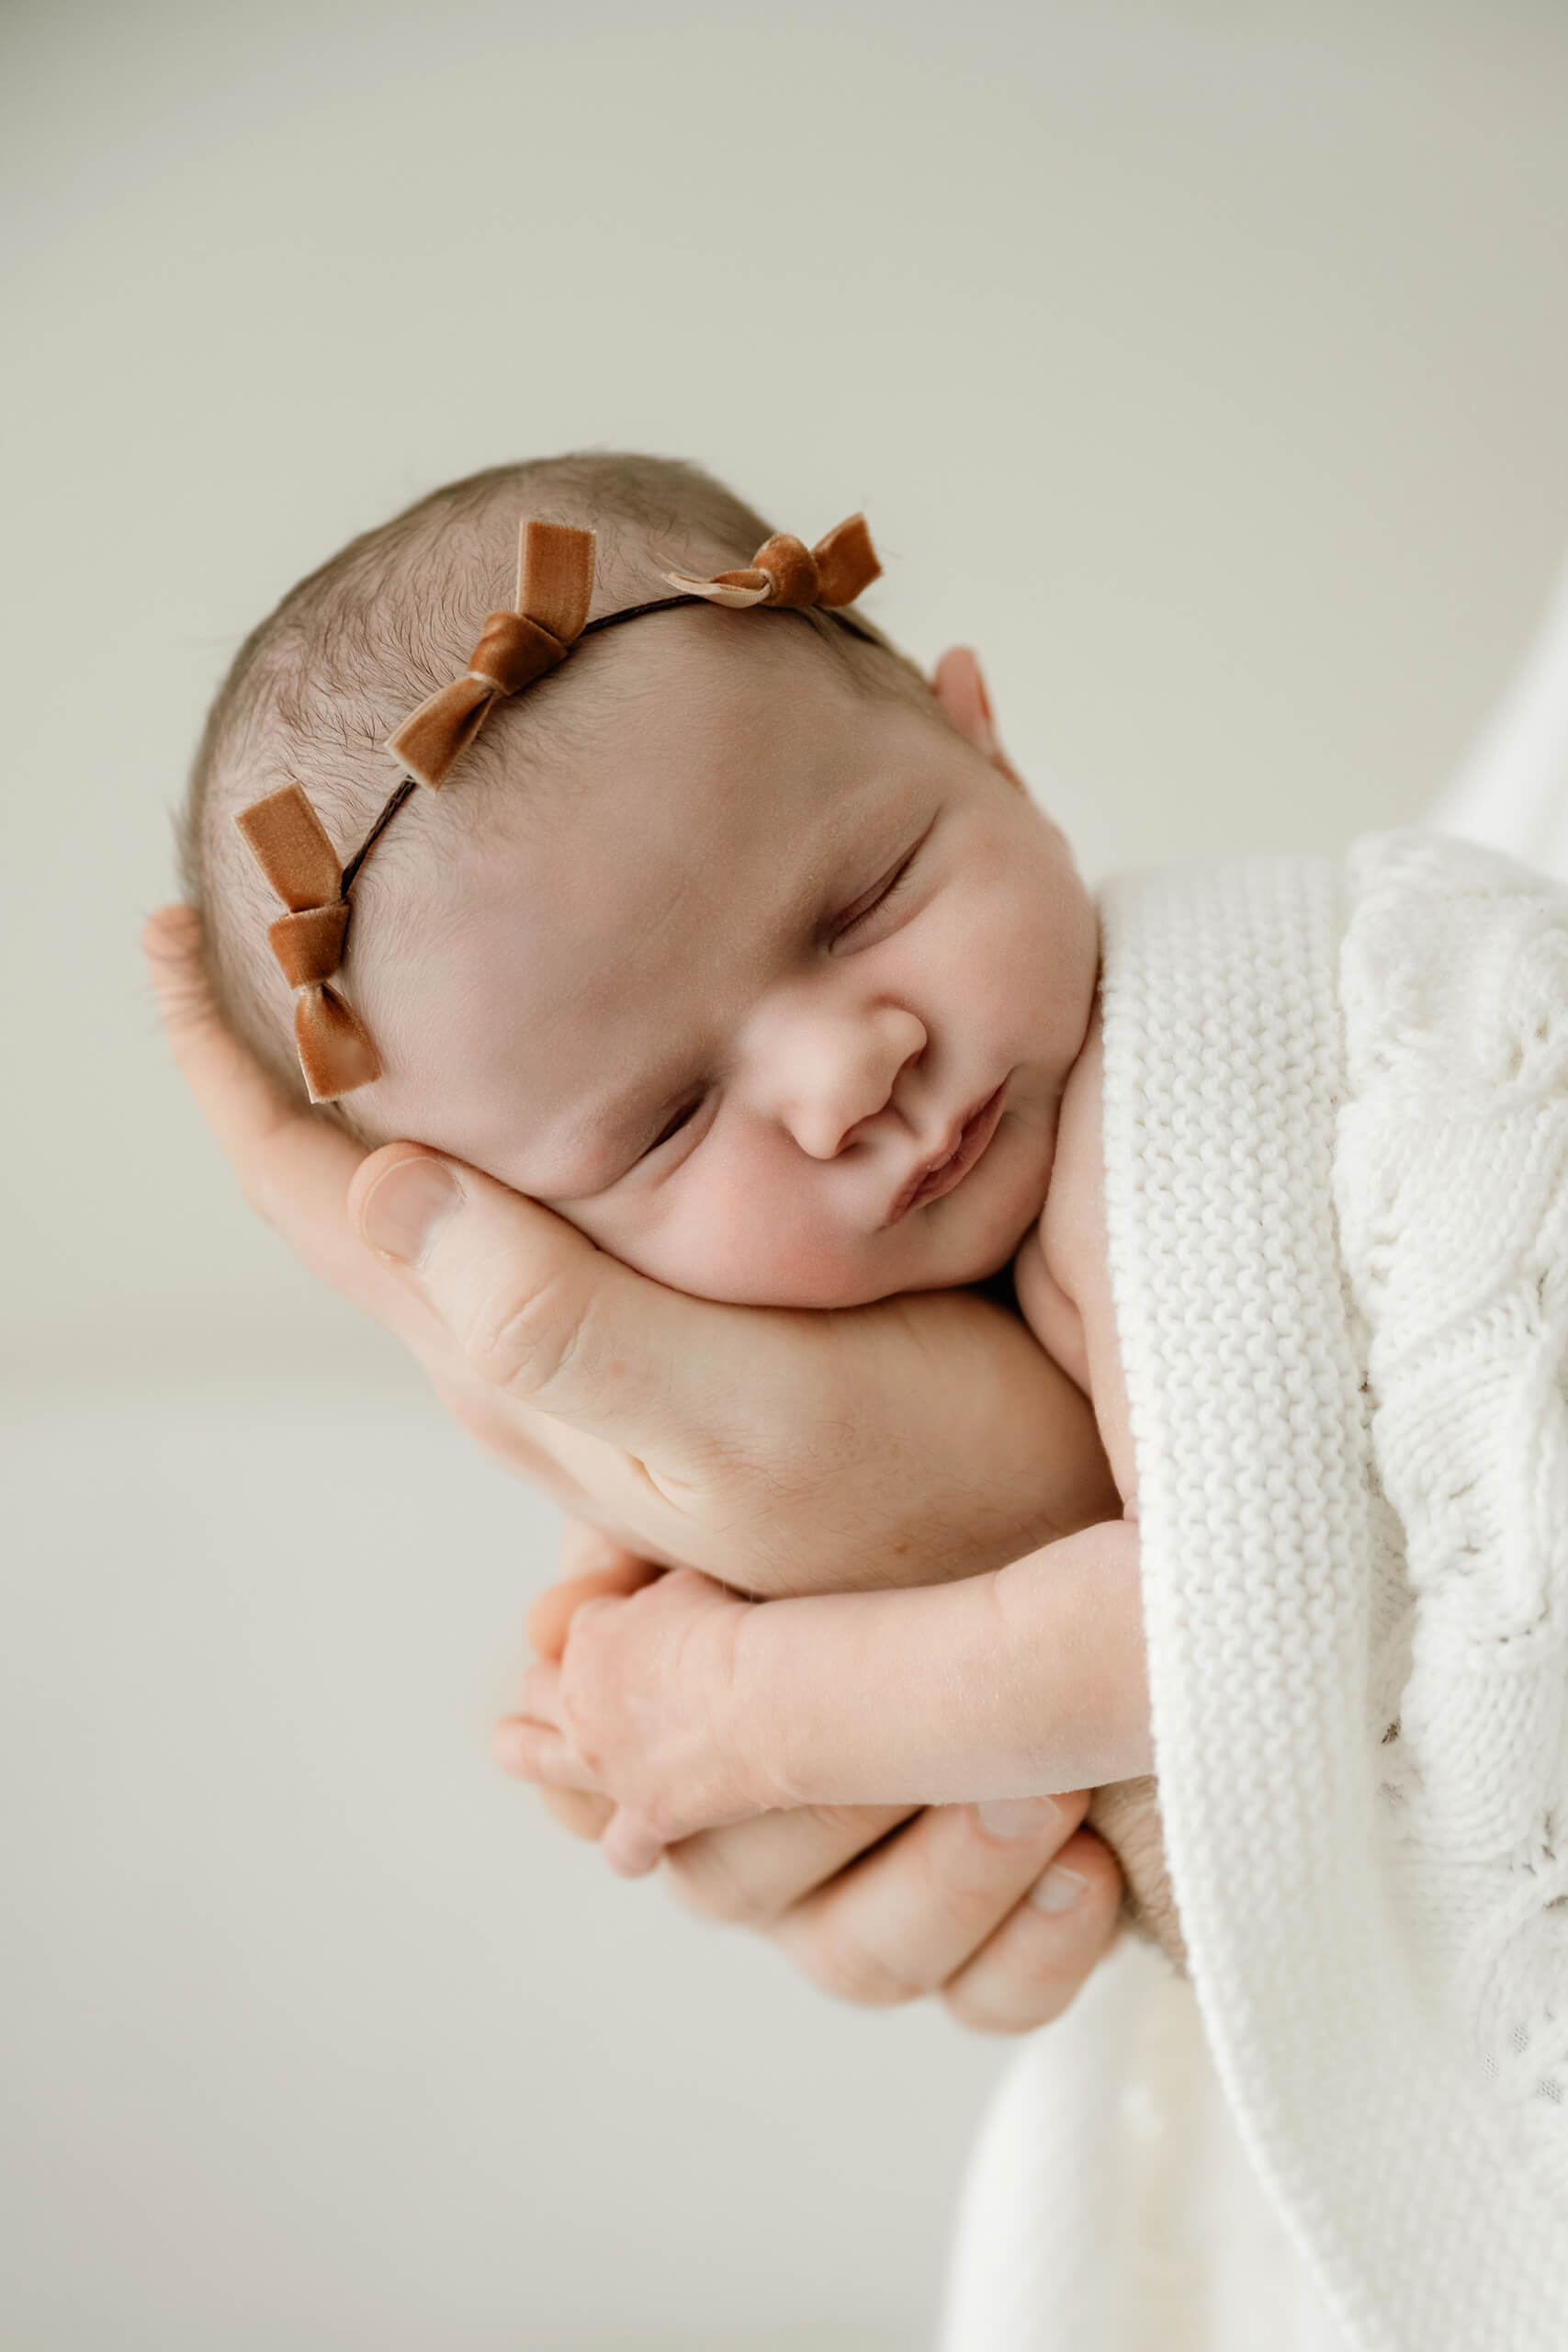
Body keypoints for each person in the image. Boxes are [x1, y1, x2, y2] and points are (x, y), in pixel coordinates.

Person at [161, 449, 1568, 2345]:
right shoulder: (837, 1329)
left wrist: (753, 1704)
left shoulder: (1217, 1076)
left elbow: (1228, 1617)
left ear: (986, 748)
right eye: (666, 1119)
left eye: (862, 897)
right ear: (536, 1246)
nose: (844, 1067)